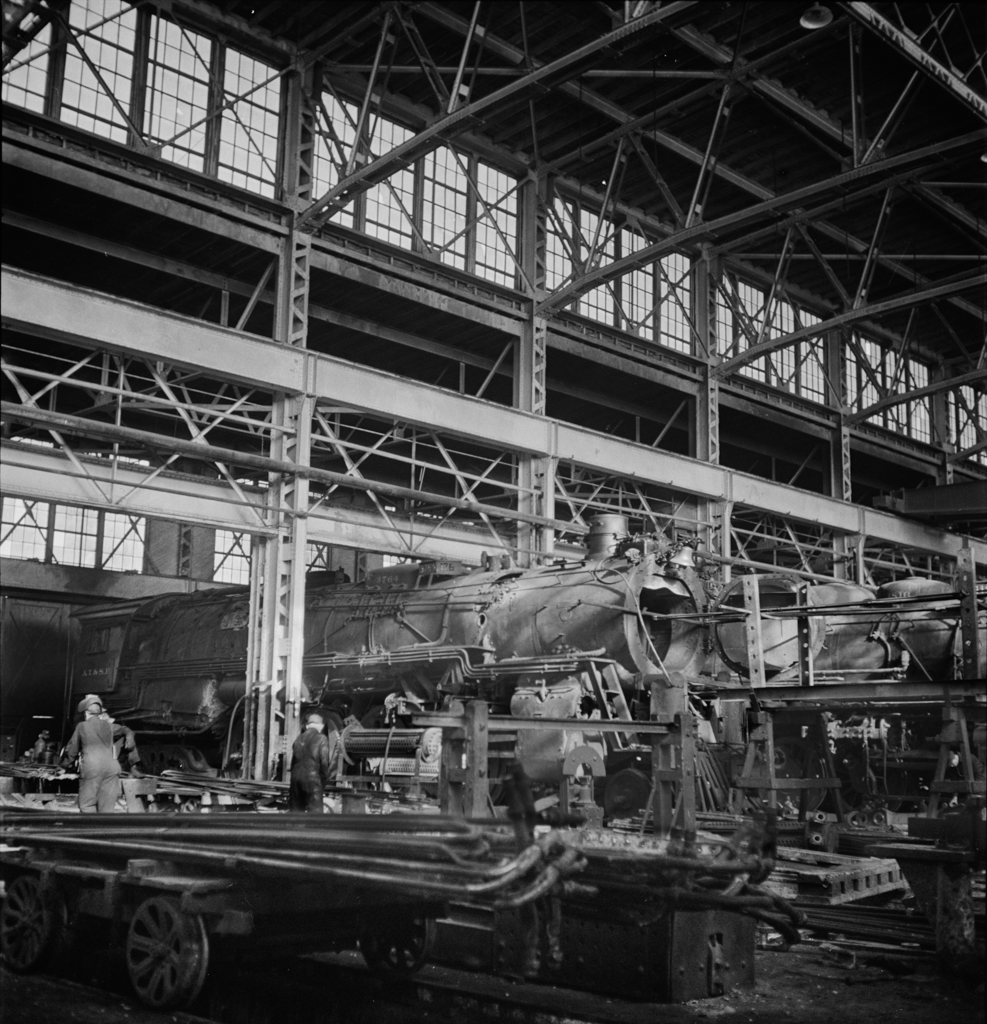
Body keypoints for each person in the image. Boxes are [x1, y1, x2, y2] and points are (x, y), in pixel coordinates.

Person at [62, 695, 139, 813]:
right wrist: (130, 738)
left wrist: (64, 766)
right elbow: (126, 730)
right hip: (112, 770)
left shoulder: (82, 726)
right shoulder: (109, 725)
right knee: (107, 810)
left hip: (92, 769)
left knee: (87, 805)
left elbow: (72, 750)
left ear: (86, 713)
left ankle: (91, 830)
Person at [289, 712, 335, 813]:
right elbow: (324, 765)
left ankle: (294, 829)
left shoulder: (297, 739)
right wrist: (322, 783)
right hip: (312, 781)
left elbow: (292, 764)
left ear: (306, 726)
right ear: (321, 726)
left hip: (295, 780)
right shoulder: (322, 739)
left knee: (296, 813)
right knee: (315, 816)